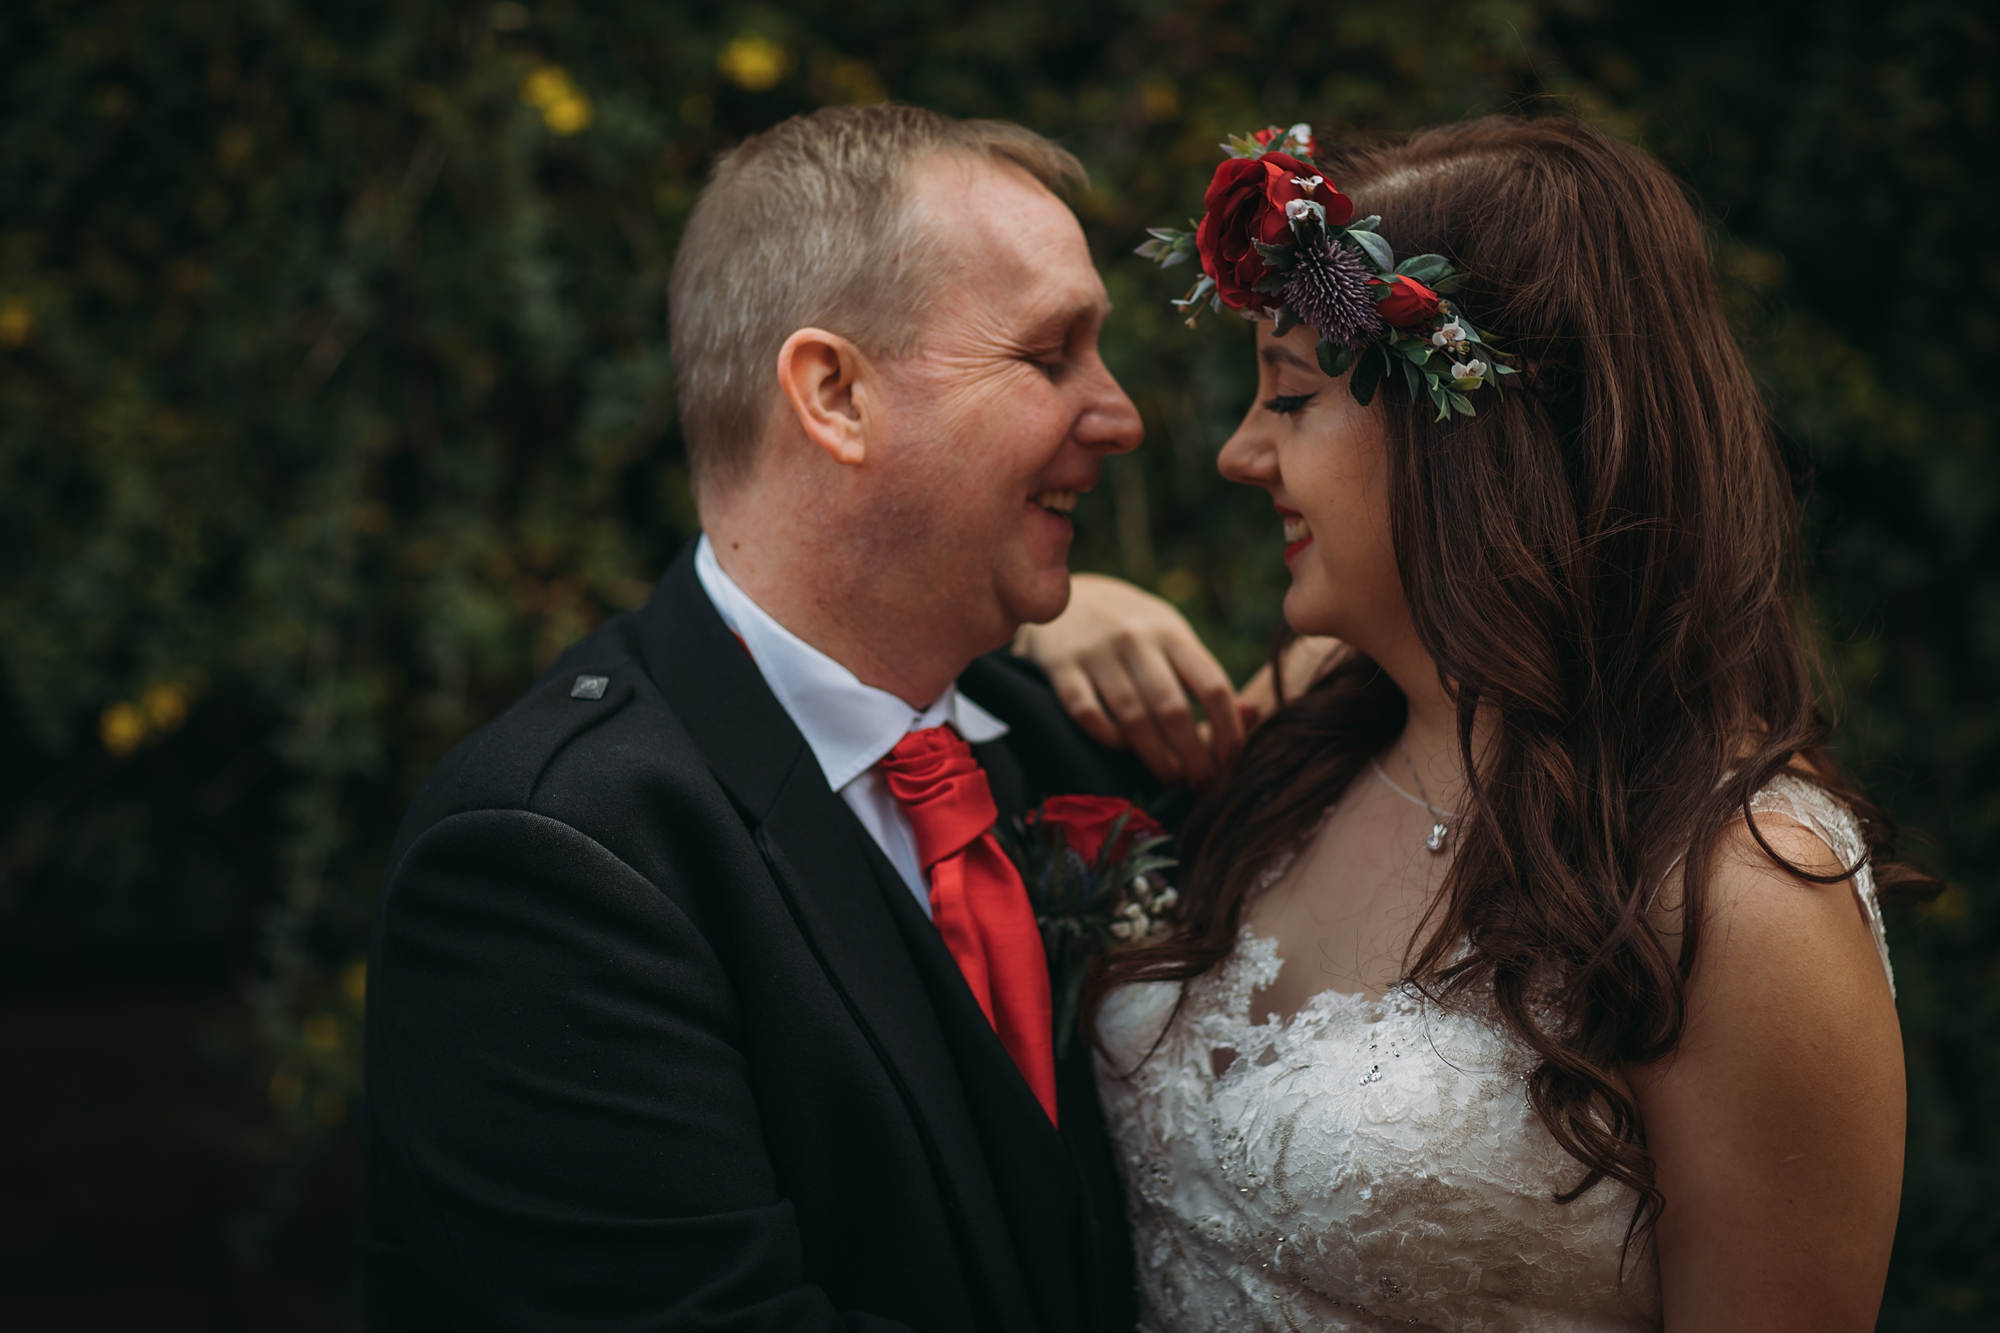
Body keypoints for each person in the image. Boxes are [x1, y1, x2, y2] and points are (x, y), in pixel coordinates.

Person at [1017, 116, 1930, 1331]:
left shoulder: (1742, 890)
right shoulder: (1296, 735)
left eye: (1287, 397)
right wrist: (1045, 621)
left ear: (1471, 431)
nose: (1239, 453)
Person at [359, 104, 1192, 1331]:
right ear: (833, 393)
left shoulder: (1071, 737)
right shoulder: (553, 856)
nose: (1120, 416)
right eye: (1049, 354)